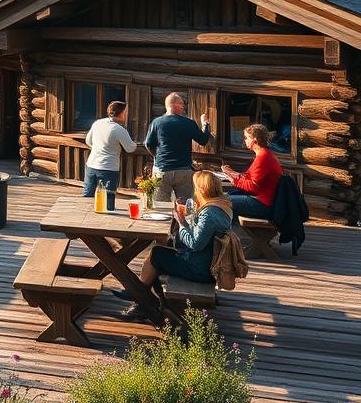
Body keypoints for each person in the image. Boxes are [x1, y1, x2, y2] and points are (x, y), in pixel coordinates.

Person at [114, 170, 232, 320]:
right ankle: (141, 297)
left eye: (195, 187)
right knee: (158, 255)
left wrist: (181, 223)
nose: (193, 190)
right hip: (209, 264)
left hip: (200, 269)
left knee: (157, 254)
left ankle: (140, 296)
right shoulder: (222, 206)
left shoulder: (209, 214)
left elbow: (195, 244)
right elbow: (202, 233)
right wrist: (188, 213)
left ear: (202, 190)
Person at [144, 92, 210, 203]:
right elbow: (203, 140)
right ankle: (183, 221)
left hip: (162, 170)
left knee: (160, 205)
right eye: (181, 104)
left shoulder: (156, 122)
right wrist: (205, 125)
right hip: (183, 170)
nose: (183, 107)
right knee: (185, 206)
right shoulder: (189, 123)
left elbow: (148, 144)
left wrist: (156, 157)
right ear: (172, 104)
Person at [222, 123, 283, 222]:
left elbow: (252, 186)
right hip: (262, 199)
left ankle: (228, 234)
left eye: (246, 138)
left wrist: (234, 180)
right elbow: (250, 177)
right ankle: (229, 231)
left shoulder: (263, 157)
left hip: (264, 204)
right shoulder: (264, 154)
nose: (244, 140)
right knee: (225, 196)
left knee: (222, 201)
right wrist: (233, 173)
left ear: (254, 140)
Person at [82, 101, 136, 210]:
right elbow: (130, 148)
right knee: (108, 201)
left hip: (91, 164)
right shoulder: (119, 130)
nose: (126, 114)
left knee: (88, 197)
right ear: (121, 113)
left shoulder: (98, 123)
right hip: (108, 168)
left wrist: (99, 147)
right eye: (125, 112)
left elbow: (88, 141)